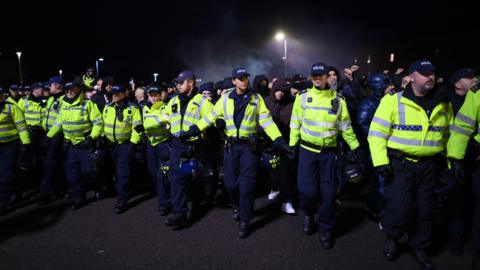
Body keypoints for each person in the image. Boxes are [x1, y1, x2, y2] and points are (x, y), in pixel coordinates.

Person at [368, 60, 453, 270]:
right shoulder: (393, 101)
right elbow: (376, 134)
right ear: (412, 76)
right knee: (399, 209)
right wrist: (380, 163)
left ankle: (420, 246)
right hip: (401, 165)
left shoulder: (444, 103)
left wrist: (450, 167)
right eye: (424, 73)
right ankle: (392, 237)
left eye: (432, 73)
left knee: (425, 210)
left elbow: (450, 137)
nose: (430, 77)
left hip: (430, 166)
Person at [193, 67, 289, 238]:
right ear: (234, 81)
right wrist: (196, 128)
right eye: (240, 78)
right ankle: (237, 205)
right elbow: (211, 117)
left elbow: (267, 122)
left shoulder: (256, 98)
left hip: (249, 149)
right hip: (231, 147)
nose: (244, 81)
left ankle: (245, 220)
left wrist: (279, 139)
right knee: (230, 184)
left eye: (246, 78)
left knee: (246, 185)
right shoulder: (224, 99)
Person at [290, 62, 363, 249]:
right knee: (307, 192)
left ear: (327, 77)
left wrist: (356, 147)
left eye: (320, 75)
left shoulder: (338, 100)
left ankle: (325, 228)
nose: (316, 78)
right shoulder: (303, 98)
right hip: (307, 152)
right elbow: (295, 123)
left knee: (329, 195)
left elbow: (346, 127)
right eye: (314, 75)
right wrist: (292, 145)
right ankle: (308, 213)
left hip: (329, 155)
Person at [161, 70, 214, 228]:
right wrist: (167, 123)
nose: (177, 85)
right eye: (176, 82)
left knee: (196, 178)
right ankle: (180, 213)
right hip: (178, 144)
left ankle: (199, 204)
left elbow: (212, 116)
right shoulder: (173, 100)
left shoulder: (202, 101)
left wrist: (197, 128)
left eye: (181, 82)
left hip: (195, 146)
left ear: (191, 82)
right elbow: (165, 114)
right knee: (176, 177)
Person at [45, 80, 104, 210]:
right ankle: (79, 197)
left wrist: (91, 138)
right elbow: (58, 123)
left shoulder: (88, 104)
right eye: (67, 89)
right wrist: (49, 136)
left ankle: (98, 187)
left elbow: (98, 123)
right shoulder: (64, 104)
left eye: (72, 89)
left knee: (89, 172)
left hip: (85, 144)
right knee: (72, 174)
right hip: (70, 145)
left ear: (78, 90)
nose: (70, 91)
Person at [447, 69, 480, 270]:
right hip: (461, 161)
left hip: (473, 158)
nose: (474, 79)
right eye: (469, 77)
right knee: (459, 202)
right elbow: (459, 131)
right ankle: (457, 240)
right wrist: (454, 161)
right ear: (457, 83)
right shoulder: (446, 99)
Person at [102, 85, 142, 213]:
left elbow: (137, 128)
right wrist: (102, 137)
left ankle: (122, 200)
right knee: (112, 171)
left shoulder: (132, 108)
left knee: (122, 173)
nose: (114, 95)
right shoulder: (108, 107)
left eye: (117, 93)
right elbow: (103, 123)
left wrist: (133, 144)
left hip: (124, 145)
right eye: (113, 93)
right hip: (109, 145)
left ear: (124, 94)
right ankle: (121, 190)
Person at [264, 78, 295, 214]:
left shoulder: (291, 104)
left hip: (286, 143)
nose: (280, 93)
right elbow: (260, 121)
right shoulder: (266, 102)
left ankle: (287, 201)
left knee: (285, 172)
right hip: (269, 143)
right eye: (277, 90)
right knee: (271, 169)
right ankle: (274, 187)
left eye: (283, 91)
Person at [141, 84, 172, 216]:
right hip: (151, 145)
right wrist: (156, 123)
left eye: (155, 95)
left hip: (164, 144)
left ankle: (164, 204)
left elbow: (166, 120)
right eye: (150, 95)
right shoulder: (145, 108)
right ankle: (163, 195)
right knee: (153, 173)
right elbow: (155, 122)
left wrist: (148, 125)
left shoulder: (167, 107)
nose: (153, 98)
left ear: (160, 95)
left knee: (162, 174)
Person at [0, 86, 30, 215]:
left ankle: (3, 203)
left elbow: (22, 126)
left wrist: (26, 143)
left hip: (9, 145)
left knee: (6, 173)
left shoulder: (11, 107)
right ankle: (16, 192)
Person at [38, 76, 66, 204]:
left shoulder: (63, 100)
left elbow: (60, 122)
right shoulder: (50, 98)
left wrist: (49, 136)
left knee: (50, 165)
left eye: (51, 85)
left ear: (58, 86)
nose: (49, 87)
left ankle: (46, 193)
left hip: (56, 136)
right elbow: (47, 116)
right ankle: (59, 190)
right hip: (49, 134)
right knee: (56, 164)